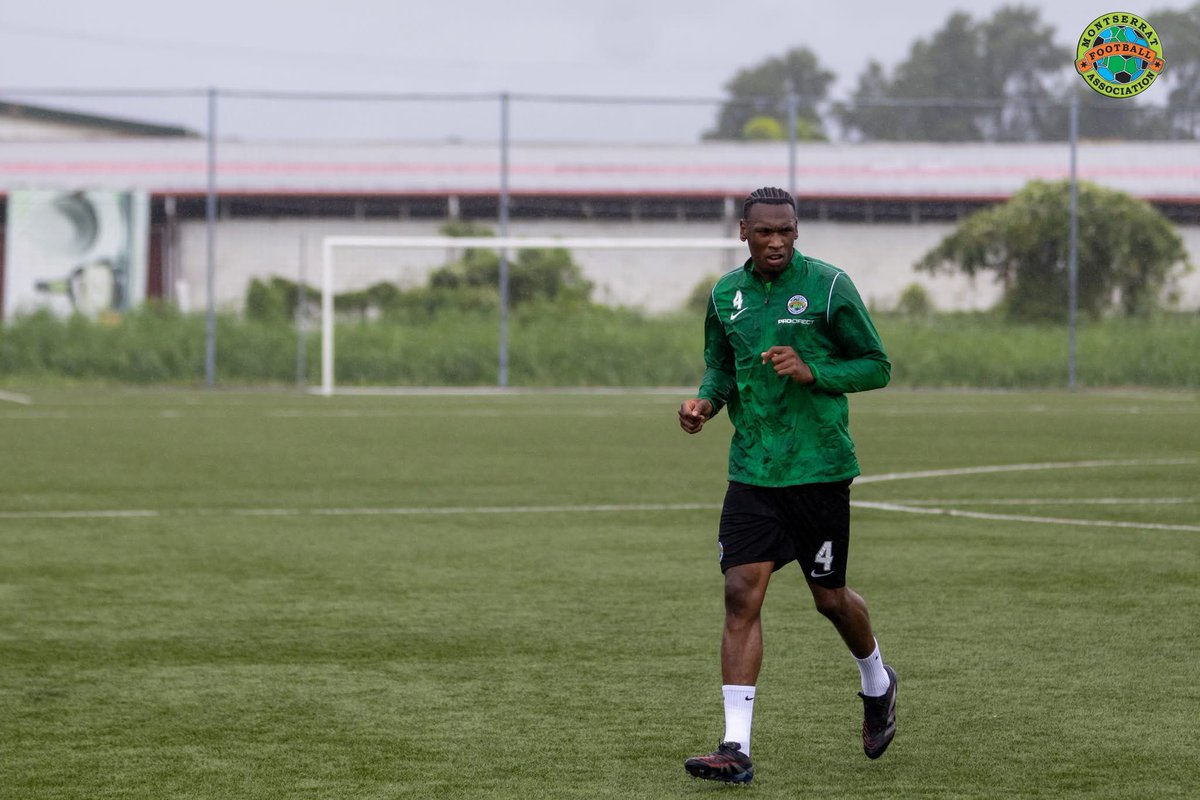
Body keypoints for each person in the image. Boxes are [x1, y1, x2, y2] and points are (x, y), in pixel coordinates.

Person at [679, 187, 896, 785]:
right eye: (765, 232)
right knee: (740, 596)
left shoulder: (828, 286)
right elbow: (723, 366)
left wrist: (814, 371)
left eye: (787, 232)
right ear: (743, 232)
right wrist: (705, 402)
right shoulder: (727, 294)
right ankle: (735, 747)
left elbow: (876, 365)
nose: (777, 241)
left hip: (819, 468)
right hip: (752, 468)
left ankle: (877, 680)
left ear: (797, 232)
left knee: (830, 599)